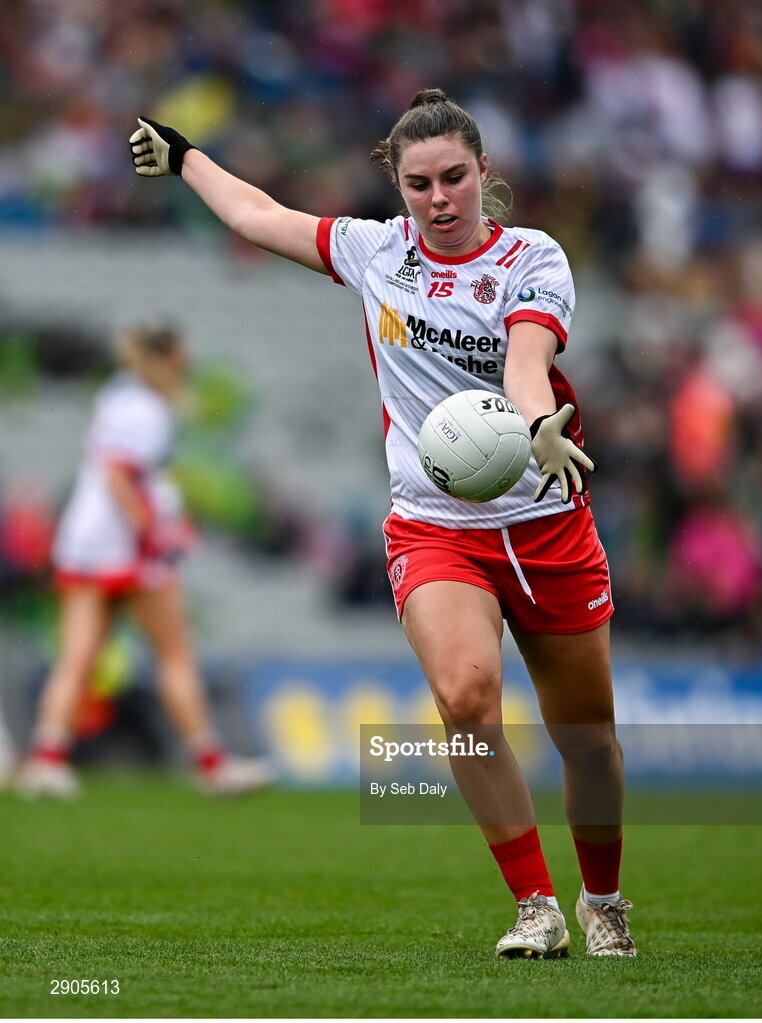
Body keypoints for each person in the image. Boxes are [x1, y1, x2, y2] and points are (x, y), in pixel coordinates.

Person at [128, 89, 636, 958]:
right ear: (396, 186)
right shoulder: (375, 253)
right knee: (467, 695)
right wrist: (186, 159)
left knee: (586, 741)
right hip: (435, 526)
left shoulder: (532, 257)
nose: (439, 199)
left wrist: (535, 419)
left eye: (454, 178)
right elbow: (259, 216)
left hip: (546, 521)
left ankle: (605, 899)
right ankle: (536, 907)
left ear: (484, 174)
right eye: (418, 184)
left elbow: (525, 358)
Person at [16, 324, 274, 799]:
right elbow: (121, 475)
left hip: (86, 542)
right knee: (174, 654)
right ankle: (211, 764)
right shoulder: (147, 408)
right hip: (126, 546)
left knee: (77, 657)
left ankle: (46, 760)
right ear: (169, 356)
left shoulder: (117, 396)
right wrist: (154, 531)